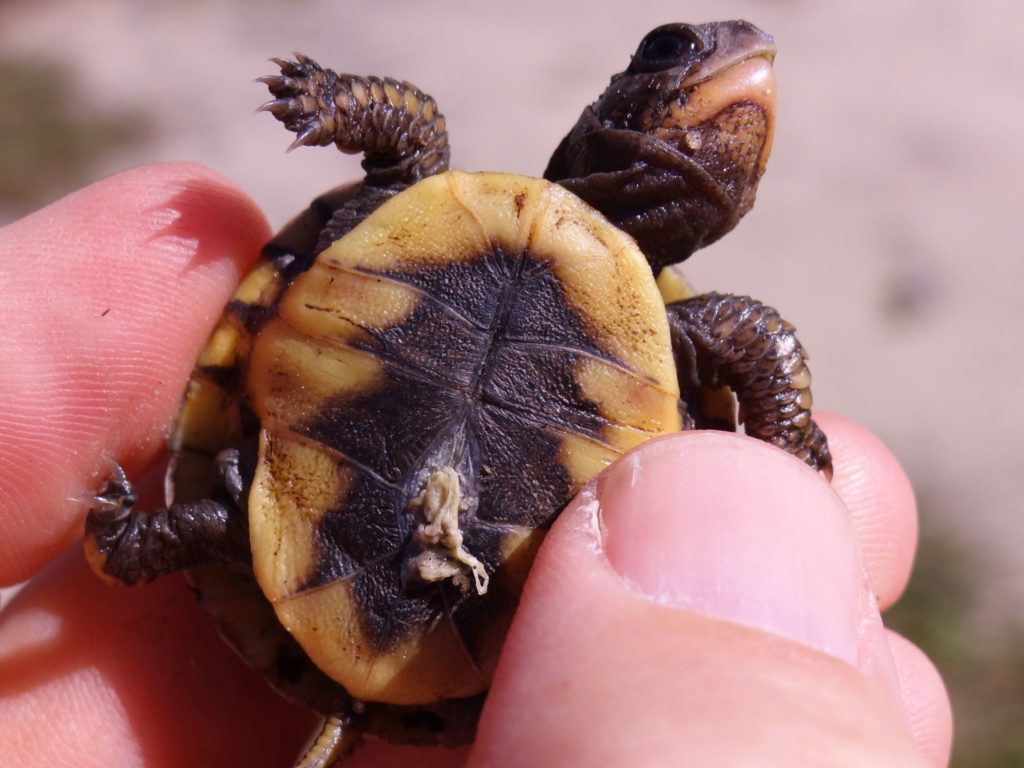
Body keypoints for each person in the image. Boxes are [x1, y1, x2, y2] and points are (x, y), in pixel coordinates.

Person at [0, 164, 951, 766]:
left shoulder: (433, 193)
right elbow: (755, 345)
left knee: (225, 521)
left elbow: (392, 162)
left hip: (296, 534)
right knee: (228, 522)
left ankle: (133, 546)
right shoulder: (687, 334)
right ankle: (136, 546)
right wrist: (784, 449)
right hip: (431, 619)